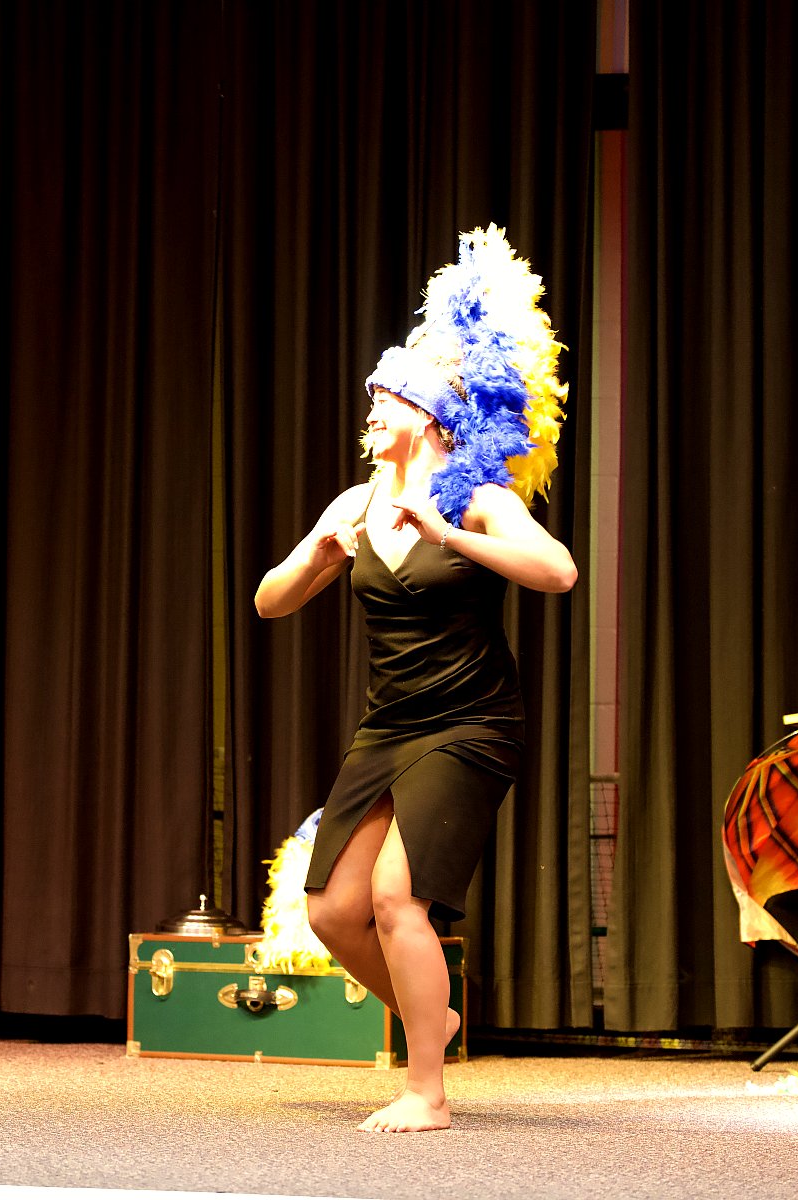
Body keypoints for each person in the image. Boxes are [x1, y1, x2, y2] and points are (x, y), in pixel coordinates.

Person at [254, 227, 575, 1132]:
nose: (369, 411)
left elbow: (558, 573)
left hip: (472, 722)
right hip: (389, 723)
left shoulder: (478, 498)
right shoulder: (353, 503)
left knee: (398, 897)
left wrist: (450, 535)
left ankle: (425, 1091)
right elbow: (269, 602)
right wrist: (318, 555)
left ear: (429, 418)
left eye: (384, 398)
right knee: (332, 911)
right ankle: (434, 1016)